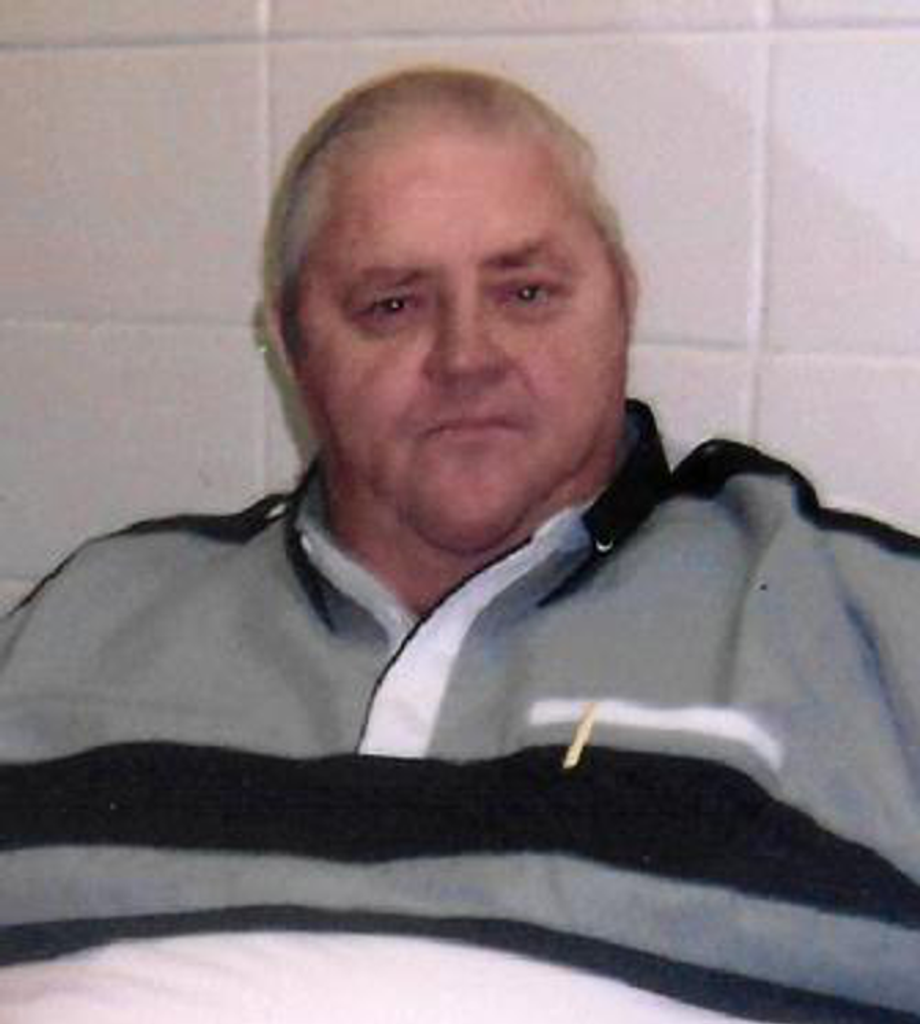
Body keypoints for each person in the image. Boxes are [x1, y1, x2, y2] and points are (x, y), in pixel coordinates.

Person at [0, 67, 918, 1022]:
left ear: (623, 301)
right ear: (293, 343)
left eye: (526, 292)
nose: (467, 357)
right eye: (393, 305)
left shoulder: (855, 624)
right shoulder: (87, 618)